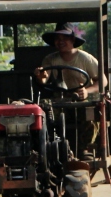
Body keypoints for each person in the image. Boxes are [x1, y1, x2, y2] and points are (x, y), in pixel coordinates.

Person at [33, 22, 107, 159]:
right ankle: (48, 148)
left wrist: (87, 91)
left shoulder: (85, 58)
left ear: (73, 40)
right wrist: (40, 77)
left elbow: (102, 81)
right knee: (44, 113)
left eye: (64, 38)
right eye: (57, 39)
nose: (60, 42)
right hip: (60, 100)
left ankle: (86, 149)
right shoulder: (50, 59)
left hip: (81, 100)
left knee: (89, 112)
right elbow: (44, 79)